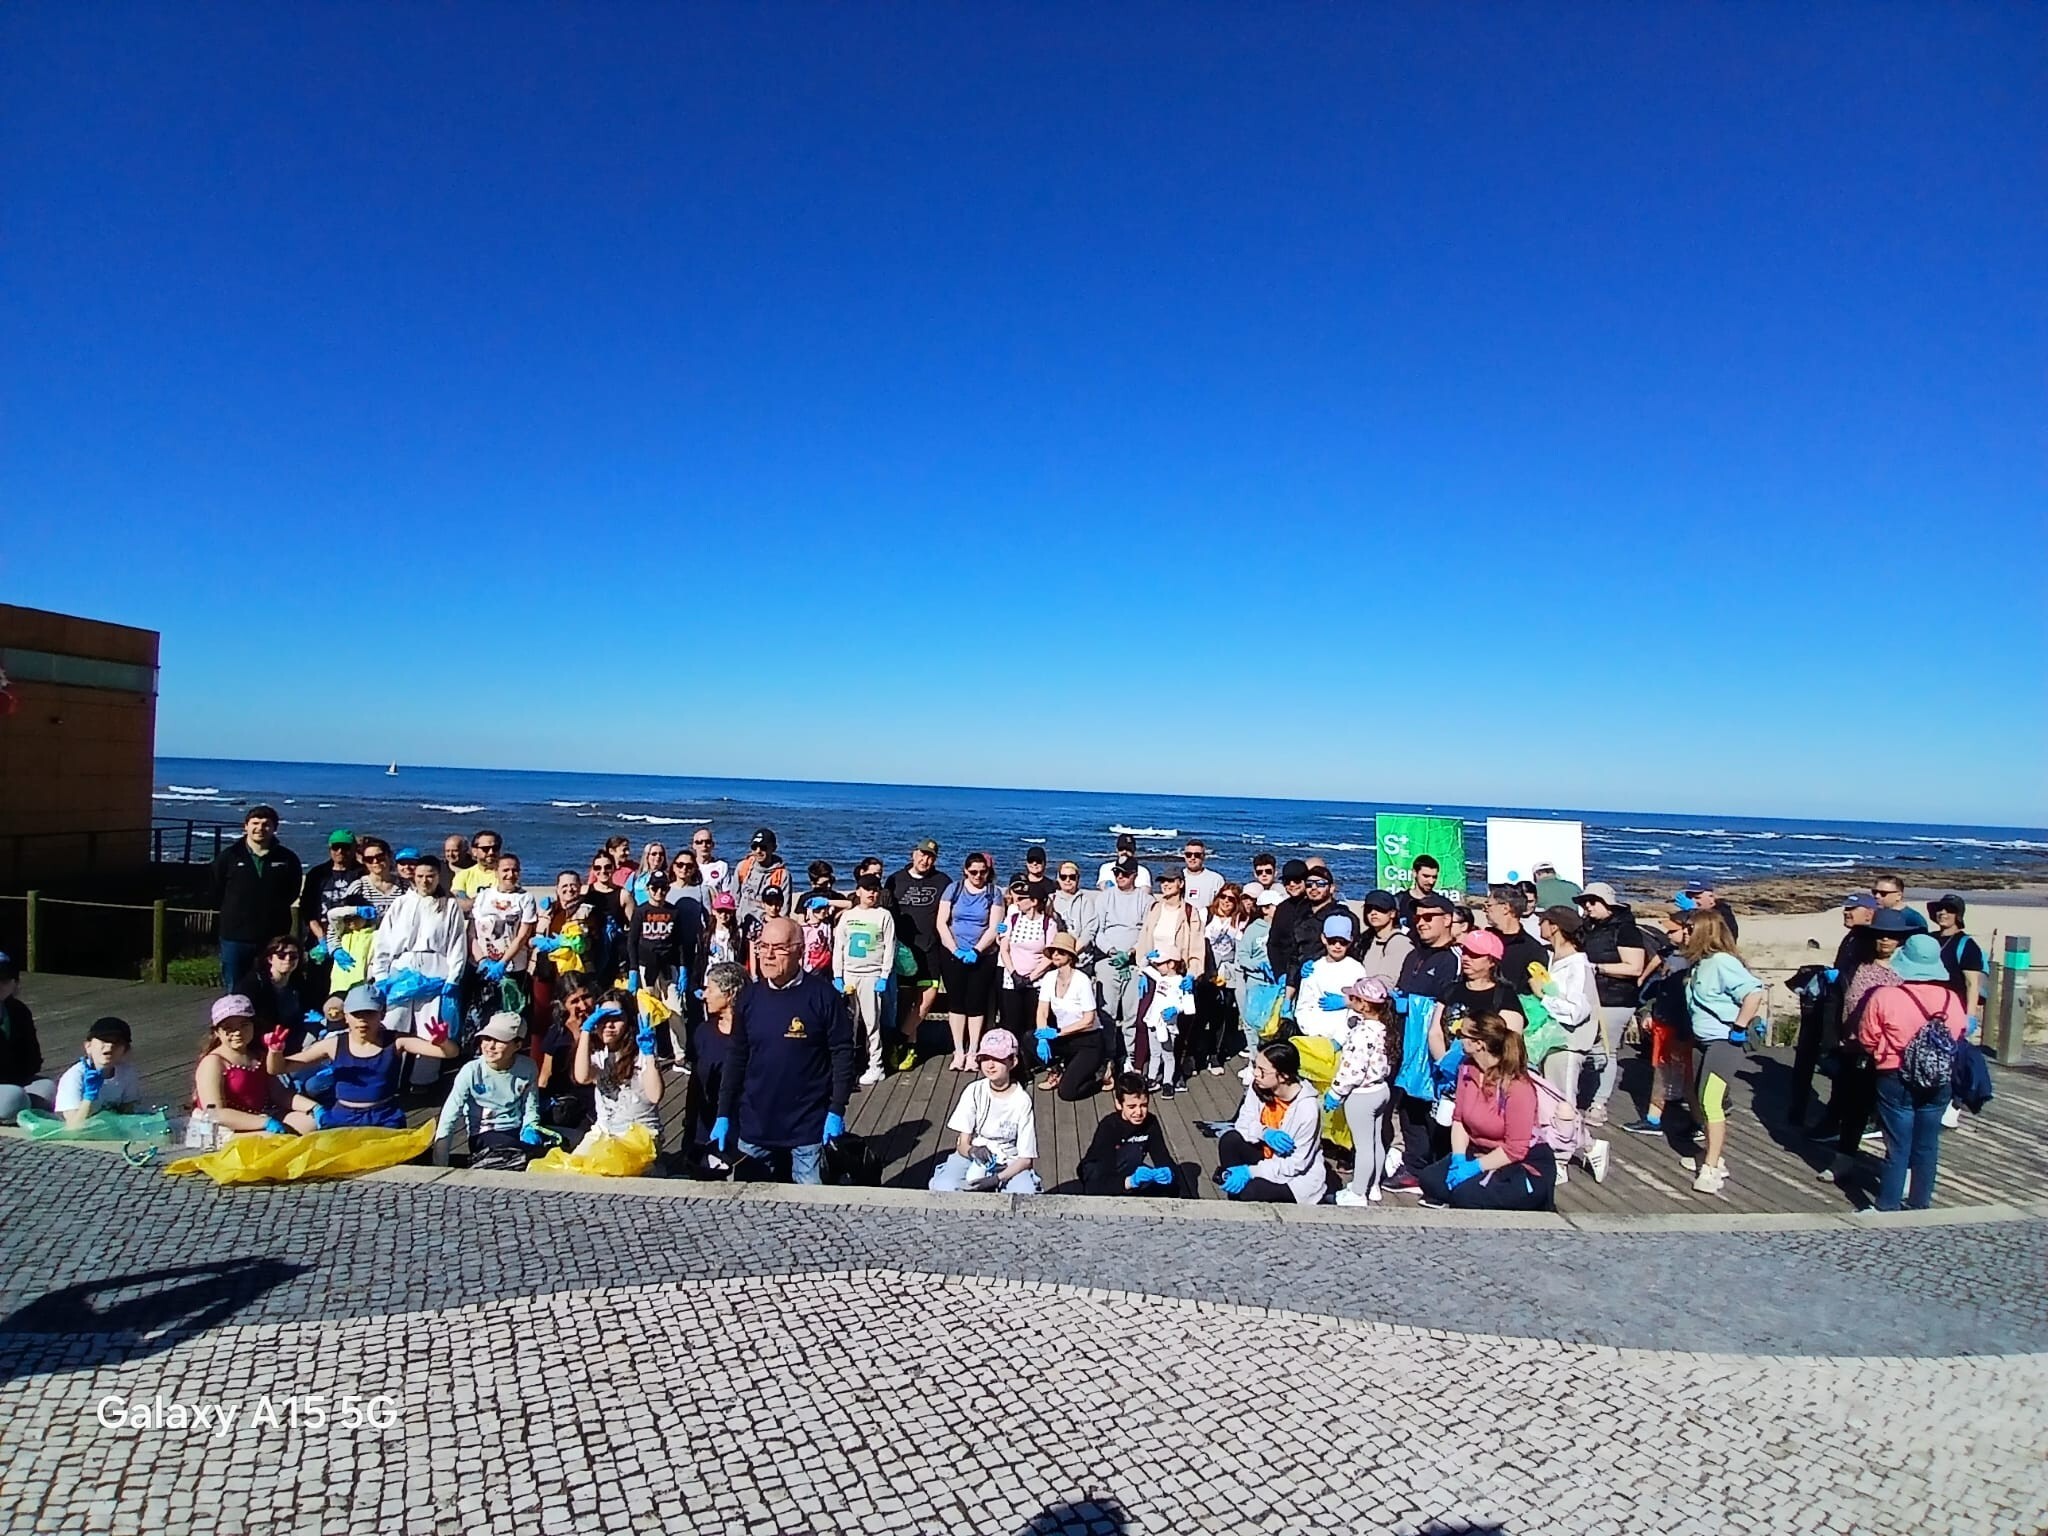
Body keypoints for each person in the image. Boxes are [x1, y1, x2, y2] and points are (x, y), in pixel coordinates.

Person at [713, 915, 855, 1185]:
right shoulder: (749, 997)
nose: (767, 955)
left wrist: (837, 1108)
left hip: (808, 1126)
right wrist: (723, 1113)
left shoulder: (824, 997)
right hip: (755, 1124)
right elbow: (736, 1057)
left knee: (811, 1206)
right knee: (748, 1204)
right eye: (762, 946)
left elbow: (842, 1054)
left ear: (799, 951)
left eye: (777, 948)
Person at [1857, 933, 1969, 1212]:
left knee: (1898, 1145)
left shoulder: (1885, 996)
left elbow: (1867, 1037)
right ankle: (1920, 1203)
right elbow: (1961, 1032)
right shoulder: (1951, 998)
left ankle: (1888, 1204)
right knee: (1927, 1144)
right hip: (1939, 1077)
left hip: (1895, 1074)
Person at [1414, 1012, 1555, 1211]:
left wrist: (1474, 1168)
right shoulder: (1466, 1069)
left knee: (1465, 1194)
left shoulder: (1517, 1087)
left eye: (1461, 1034)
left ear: (1479, 1044)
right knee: (1430, 1180)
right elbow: (1459, 1119)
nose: (1457, 1037)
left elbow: (1516, 1149)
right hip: (1479, 1151)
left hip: (1521, 1161)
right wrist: (1459, 1158)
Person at [267, 983, 456, 1128]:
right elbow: (278, 1068)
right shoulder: (333, 1044)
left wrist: (443, 1042)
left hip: (384, 1118)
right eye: (357, 1014)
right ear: (346, 1016)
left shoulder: (396, 1041)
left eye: (369, 1014)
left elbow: (449, 1053)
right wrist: (275, 1052)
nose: (362, 1020)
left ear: (381, 1014)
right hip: (342, 1118)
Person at [1679, 909, 1765, 1195]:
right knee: (1699, 1098)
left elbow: (1753, 992)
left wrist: (1739, 1026)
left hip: (1724, 1041)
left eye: (1690, 929)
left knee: (1711, 1100)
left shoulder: (1722, 962)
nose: (1685, 933)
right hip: (1702, 1040)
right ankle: (1709, 1153)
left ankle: (1713, 1167)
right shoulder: (1699, 964)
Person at [369, 853, 470, 1087]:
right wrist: (382, 975)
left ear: (439, 877)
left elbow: (457, 944)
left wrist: (453, 978)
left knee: (430, 1027)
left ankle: (423, 1080)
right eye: (421, 876)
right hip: (402, 969)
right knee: (393, 1024)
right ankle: (388, 1079)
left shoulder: (449, 906)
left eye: (431, 876)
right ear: (414, 877)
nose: (425, 881)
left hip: (435, 968)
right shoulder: (402, 903)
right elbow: (384, 940)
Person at [1385, 893, 1462, 1193]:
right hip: (1405, 1047)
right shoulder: (1413, 954)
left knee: (1437, 1112)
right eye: (1418, 917)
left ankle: (1438, 1172)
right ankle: (1414, 1169)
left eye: (1429, 917)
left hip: (1434, 1050)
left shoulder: (1451, 960)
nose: (1422, 922)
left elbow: (1451, 1012)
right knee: (1408, 1109)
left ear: (1447, 920)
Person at [188, 993, 320, 1146]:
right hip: (220, 1129)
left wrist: (314, 1107)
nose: (237, 1033)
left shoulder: (258, 1055)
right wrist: (264, 1123)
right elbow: (215, 1113)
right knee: (275, 1141)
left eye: (244, 1025)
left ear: (253, 1026)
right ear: (217, 1032)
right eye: (228, 1028)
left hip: (258, 1117)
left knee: (310, 1123)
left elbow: (279, 1094)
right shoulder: (213, 1062)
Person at [928, 1028, 1041, 1194]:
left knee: (1025, 1191)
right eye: (985, 1058)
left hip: (1008, 1161)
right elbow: (962, 1144)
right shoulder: (974, 1090)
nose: (990, 1064)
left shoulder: (1022, 1101)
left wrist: (997, 1178)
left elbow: (1025, 1159)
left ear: (1012, 1061)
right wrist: (973, 1151)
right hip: (974, 1157)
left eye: (998, 1058)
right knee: (944, 1186)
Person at [1215, 1040, 1326, 1204]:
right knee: (1229, 1140)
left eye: (1262, 1071)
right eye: (1255, 1067)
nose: (1255, 1074)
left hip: (1294, 1178)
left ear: (1284, 1076)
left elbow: (1295, 1165)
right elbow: (1243, 1122)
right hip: (1266, 1155)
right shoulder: (1259, 1087)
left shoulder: (1307, 1110)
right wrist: (1264, 1132)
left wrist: (1250, 1172)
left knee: (1251, 1191)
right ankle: (1234, 1194)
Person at [1575, 882, 1646, 1127]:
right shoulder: (1589, 928)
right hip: (1591, 996)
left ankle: (1599, 1103)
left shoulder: (1626, 930)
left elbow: (1634, 967)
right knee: (1587, 1048)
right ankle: (1584, 1096)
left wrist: (1597, 968)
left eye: (1592, 902)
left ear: (1608, 903)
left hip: (1616, 999)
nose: (1587, 906)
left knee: (1606, 1051)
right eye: (1584, 902)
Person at [432, 1013, 545, 1168]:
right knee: (519, 1154)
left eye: (499, 1041)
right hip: (485, 1133)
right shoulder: (471, 1071)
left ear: (517, 1045)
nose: (490, 1046)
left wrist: (530, 1128)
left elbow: (531, 1105)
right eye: (486, 1038)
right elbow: (449, 1115)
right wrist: (440, 1162)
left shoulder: (528, 1067)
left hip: (516, 1129)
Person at [210, 805, 303, 988]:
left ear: (275, 828)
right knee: (236, 984)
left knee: (273, 982)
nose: (260, 828)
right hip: (235, 936)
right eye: (255, 823)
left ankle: (268, 1017)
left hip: (273, 935)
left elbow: (292, 890)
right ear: (245, 826)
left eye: (266, 824)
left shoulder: (287, 858)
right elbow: (215, 889)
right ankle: (237, 1017)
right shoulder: (228, 857)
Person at [1325, 976, 1399, 1205]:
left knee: (1364, 1145)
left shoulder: (1361, 1033)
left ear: (1364, 1005)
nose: (1351, 1000)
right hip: (1381, 1090)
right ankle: (1373, 1185)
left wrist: (1335, 1092)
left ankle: (1357, 1191)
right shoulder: (1385, 1029)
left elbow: (1352, 1070)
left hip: (1362, 1095)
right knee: (1376, 1141)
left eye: (1354, 998)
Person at [936, 853, 1005, 1070]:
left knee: (977, 1003)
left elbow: (994, 926)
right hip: (953, 953)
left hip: (982, 956)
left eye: (982, 872)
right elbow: (941, 922)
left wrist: (977, 949)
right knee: (956, 1003)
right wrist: (955, 949)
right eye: (973, 871)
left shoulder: (994, 893)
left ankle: (974, 1051)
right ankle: (958, 1050)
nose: (978, 876)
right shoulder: (953, 889)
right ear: (966, 870)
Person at [574, 989, 665, 1147]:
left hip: (640, 1136)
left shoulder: (641, 1051)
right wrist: (586, 1031)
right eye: (603, 1018)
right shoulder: (598, 1052)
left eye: (616, 1019)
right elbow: (582, 1077)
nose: (609, 1025)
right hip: (604, 1133)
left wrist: (650, 1055)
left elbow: (655, 1095)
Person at [885, 839, 952, 1051]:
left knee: (928, 996)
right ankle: (908, 1046)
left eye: (931, 856)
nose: (926, 860)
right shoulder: (896, 879)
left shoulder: (943, 881)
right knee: (905, 999)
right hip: (903, 949)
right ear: (913, 854)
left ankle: (901, 1037)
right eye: (922, 854)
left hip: (930, 948)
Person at [1532, 905, 1601, 1107]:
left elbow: (1576, 1011)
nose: (1538, 924)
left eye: (1542, 920)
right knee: (1547, 1104)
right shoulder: (1553, 958)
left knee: (1563, 1106)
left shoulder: (1578, 966)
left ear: (1554, 927)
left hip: (1568, 1045)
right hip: (1549, 1044)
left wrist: (1542, 996)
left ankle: (1574, 1139)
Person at [833, 875, 899, 1087]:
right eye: (867, 889)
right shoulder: (848, 916)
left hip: (872, 975)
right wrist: (837, 975)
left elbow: (890, 946)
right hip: (850, 975)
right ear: (858, 891)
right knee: (849, 1025)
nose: (871, 893)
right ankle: (848, 1067)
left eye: (875, 890)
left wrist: (884, 975)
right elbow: (839, 946)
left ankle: (875, 1066)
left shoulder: (883, 916)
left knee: (872, 1023)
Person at [1088, 859, 1153, 1073]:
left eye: (1124, 873)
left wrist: (1132, 953)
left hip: (1134, 963)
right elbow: (1097, 931)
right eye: (1116, 872)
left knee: (1132, 1015)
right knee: (1106, 1012)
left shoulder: (1146, 900)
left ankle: (1131, 1058)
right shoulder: (1105, 898)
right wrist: (1113, 952)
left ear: (1134, 874)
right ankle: (1108, 1057)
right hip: (1109, 960)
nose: (1120, 876)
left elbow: (1146, 933)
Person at [682, 961, 747, 1173]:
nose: (704, 995)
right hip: (705, 1128)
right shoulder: (702, 1032)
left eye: (710, 989)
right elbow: (694, 1085)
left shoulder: (750, 1033)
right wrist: (689, 1127)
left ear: (728, 994)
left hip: (744, 1127)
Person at [1033, 931, 1107, 1101]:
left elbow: (1088, 1020)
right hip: (1066, 1038)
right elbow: (1042, 1010)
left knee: (1067, 1093)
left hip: (1088, 1040)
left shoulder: (1082, 980)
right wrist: (1043, 1036)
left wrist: (1057, 1033)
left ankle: (1101, 1078)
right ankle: (1056, 1070)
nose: (1056, 955)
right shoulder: (1049, 978)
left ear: (1070, 956)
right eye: (1053, 952)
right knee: (1030, 1038)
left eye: (1061, 952)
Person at [469, 851, 539, 1028]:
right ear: (496, 872)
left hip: (513, 967)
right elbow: (472, 931)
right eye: (505, 870)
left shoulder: (525, 898)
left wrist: (503, 962)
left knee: (511, 1014)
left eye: (515, 870)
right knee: (483, 1013)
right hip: (485, 966)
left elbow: (523, 935)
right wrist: (482, 960)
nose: (510, 875)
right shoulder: (484, 896)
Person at [1078, 1073, 1178, 1195]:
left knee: (1170, 1188)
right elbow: (1097, 1182)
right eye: (1131, 1107)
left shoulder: (1150, 1122)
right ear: (1119, 1104)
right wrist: (1130, 1182)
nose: (1139, 1112)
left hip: (1129, 1169)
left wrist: (1169, 1172)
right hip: (1098, 1174)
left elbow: (1162, 1157)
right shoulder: (1109, 1127)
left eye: (1143, 1105)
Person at [997, 877, 1059, 1053]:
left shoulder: (1049, 924)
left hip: (1036, 982)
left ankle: (1030, 1058)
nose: (1018, 901)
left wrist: (1030, 977)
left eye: (1023, 898)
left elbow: (1049, 956)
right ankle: (1012, 1059)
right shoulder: (1013, 919)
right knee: (1011, 1022)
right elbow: (1005, 949)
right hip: (1012, 980)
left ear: (1034, 902)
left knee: (1031, 1023)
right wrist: (1014, 974)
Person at [52, 1016, 142, 1129]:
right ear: (88, 1046)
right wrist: (89, 1096)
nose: (110, 1045)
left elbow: (128, 1111)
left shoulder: (127, 1073)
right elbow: (73, 1128)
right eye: (104, 1040)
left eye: (118, 1042)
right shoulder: (74, 1076)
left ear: (126, 1050)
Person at [536, 978, 597, 1138]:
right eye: (574, 1001)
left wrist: (580, 1034)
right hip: (565, 1099)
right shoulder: (558, 1031)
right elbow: (545, 1075)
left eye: (586, 997)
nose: (583, 1006)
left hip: (593, 1096)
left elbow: (589, 1073)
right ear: (564, 1005)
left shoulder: (604, 1028)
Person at [1295, 913, 1367, 1042]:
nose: (1337, 946)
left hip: (1345, 1040)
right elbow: (1303, 1005)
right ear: (1323, 938)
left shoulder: (1357, 969)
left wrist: (1340, 1040)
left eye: (1343, 942)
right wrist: (1312, 1033)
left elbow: (1359, 1010)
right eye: (1332, 941)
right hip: (1314, 1038)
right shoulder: (1313, 968)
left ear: (1350, 941)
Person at [0, 950, 52, 1125]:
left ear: (15, 983)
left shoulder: (18, 1010)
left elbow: (32, 1058)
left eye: (4, 980)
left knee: (49, 1091)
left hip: (13, 1079)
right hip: (7, 1084)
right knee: (14, 1098)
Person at [299, 830, 364, 950]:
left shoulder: (363, 873)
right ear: (330, 849)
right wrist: (320, 936)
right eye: (336, 847)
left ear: (354, 849)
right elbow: (307, 908)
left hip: (353, 939)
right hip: (320, 937)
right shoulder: (317, 874)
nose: (340, 851)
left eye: (345, 847)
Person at [1929, 895, 1986, 1023]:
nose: (1943, 913)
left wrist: (1970, 1016)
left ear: (1958, 916)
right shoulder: (1928, 938)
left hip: (1953, 1010)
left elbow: (1972, 984)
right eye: (1940, 909)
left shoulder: (1967, 945)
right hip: (1926, 1007)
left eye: (1949, 910)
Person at [1482, 886, 1548, 993]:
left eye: (1489, 905)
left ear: (1505, 908)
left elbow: (1535, 990)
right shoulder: (1483, 939)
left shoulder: (1533, 950)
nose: (1485, 910)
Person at [1263, 860, 1314, 996]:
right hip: (1285, 973)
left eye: (1297, 880)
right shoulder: (1282, 908)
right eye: (1287, 881)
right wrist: (1279, 972)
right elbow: (1273, 944)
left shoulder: (1315, 906)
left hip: (1311, 973)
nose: (1292, 885)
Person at [733, 828, 789, 928]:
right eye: (754, 847)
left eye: (763, 847)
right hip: (742, 926)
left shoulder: (782, 875)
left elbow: (784, 910)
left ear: (773, 848)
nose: (758, 851)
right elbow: (734, 900)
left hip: (767, 929)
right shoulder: (743, 867)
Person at [1355, 890, 1413, 987]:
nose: (1373, 913)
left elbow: (1388, 981)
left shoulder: (1399, 943)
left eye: (1379, 908)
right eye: (1369, 909)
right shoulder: (1366, 938)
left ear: (1392, 913)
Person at [1393, 854, 1443, 931]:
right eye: (1426, 876)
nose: (1431, 881)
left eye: (1434, 877)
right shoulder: (1398, 901)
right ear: (1414, 873)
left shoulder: (1441, 903)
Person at [452, 830, 503, 901]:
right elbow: (461, 901)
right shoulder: (464, 876)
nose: (491, 852)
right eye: (485, 849)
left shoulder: (506, 874)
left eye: (495, 848)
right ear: (474, 851)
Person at [1179, 840, 1225, 914]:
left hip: (1205, 922)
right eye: (1188, 854)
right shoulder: (1178, 877)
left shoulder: (1216, 879)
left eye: (1197, 855)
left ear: (1203, 857)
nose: (1192, 858)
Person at [689, 827, 729, 892]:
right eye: (699, 842)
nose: (704, 845)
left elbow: (726, 894)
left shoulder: (722, 866)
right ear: (694, 845)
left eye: (708, 842)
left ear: (712, 845)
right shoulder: (686, 866)